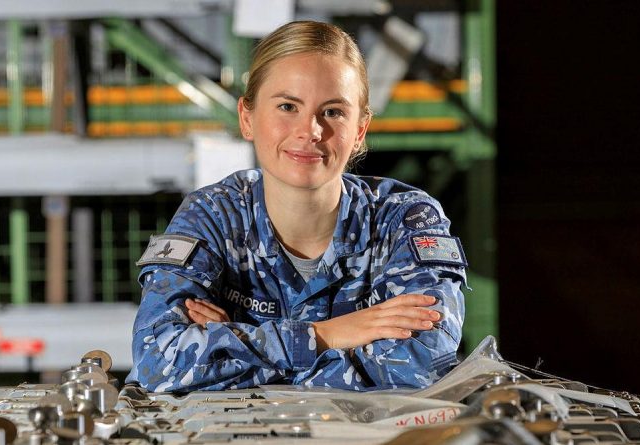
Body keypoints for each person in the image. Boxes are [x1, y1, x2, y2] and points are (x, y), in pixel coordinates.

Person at [126, 20, 467, 393]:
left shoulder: (404, 219)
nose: (311, 131)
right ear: (247, 118)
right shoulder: (211, 216)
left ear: (360, 131)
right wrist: (327, 335)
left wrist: (236, 348)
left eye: (334, 112)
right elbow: (159, 363)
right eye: (288, 106)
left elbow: (422, 366)